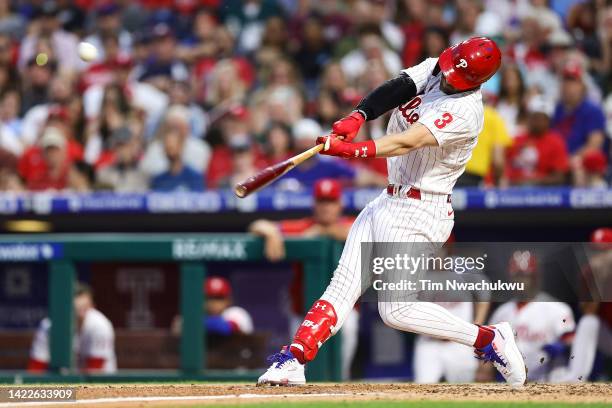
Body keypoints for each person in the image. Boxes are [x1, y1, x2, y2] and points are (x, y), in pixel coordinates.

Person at [257, 37, 527, 387]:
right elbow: (397, 87)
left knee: (396, 310)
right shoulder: (440, 66)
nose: (445, 77)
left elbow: (407, 141)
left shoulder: (466, 111)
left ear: (476, 81)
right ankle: (294, 358)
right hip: (389, 199)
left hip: (421, 210)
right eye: (447, 68)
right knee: (342, 287)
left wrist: (353, 150)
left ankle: (489, 339)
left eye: (455, 76)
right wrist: (358, 115)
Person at [249, 179, 359, 380]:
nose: (326, 207)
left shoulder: (354, 226)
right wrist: (271, 232)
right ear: (314, 204)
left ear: (340, 204)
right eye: (322, 201)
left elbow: (353, 231)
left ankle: (342, 383)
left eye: (330, 201)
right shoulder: (303, 226)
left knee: (346, 342)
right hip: (303, 312)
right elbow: (257, 225)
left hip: (342, 315)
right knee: (297, 365)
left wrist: (322, 233)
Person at [479, 251, 576, 382]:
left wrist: (563, 346)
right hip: (513, 384)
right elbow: (488, 351)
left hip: (551, 381)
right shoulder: (501, 312)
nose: (520, 281)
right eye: (517, 276)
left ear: (535, 277)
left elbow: (574, 344)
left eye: (525, 276)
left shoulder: (557, 309)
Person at [28, 283, 116, 373]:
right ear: (65, 306)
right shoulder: (48, 325)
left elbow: (95, 370)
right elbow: (36, 366)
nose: (80, 312)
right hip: (64, 382)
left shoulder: (99, 325)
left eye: (85, 307)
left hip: (102, 383)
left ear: (92, 305)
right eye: (76, 308)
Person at [504, 95, 569, 186]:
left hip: (542, 192)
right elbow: (504, 165)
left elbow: (559, 177)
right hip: (512, 189)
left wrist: (533, 182)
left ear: (548, 120)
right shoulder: (517, 139)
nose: (538, 122)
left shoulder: (556, 142)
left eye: (542, 118)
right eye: (535, 117)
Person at [171, 276, 253, 337]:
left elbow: (223, 328)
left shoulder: (237, 313)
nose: (213, 303)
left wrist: (188, 324)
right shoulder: (200, 316)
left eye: (219, 298)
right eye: (209, 298)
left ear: (229, 300)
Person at [457, 105, 512, 187]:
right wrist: (500, 179)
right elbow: (498, 159)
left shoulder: (458, 112)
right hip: (473, 174)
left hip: (449, 169)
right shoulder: (494, 117)